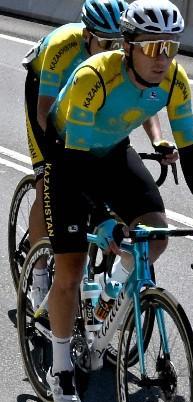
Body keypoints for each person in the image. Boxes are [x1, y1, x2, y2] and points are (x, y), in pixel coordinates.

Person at [41, 0, 193, 402]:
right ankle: (60, 370)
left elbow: (192, 152)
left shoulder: (175, 80)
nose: (163, 59)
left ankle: (108, 295)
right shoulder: (96, 76)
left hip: (111, 153)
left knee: (155, 233)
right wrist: (105, 217)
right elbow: (76, 163)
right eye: (152, 48)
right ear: (128, 47)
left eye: (171, 47)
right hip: (70, 156)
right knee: (70, 270)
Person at [21, 0, 179, 309]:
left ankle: (110, 290)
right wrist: (55, 159)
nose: (112, 49)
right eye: (105, 43)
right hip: (48, 99)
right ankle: (38, 273)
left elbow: (142, 98)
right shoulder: (63, 47)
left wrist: (159, 141)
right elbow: (45, 113)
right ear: (86, 36)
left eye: (118, 42)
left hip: (86, 102)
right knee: (47, 181)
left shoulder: (120, 62)